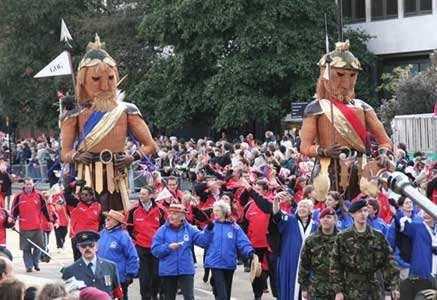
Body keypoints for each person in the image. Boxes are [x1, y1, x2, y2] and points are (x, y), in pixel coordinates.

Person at [60, 34, 158, 212]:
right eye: (96, 80)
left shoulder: (127, 110)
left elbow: (150, 146)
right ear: (82, 81)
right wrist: (75, 156)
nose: (105, 86)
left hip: (117, 177)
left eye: (111, 78)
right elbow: (64, 153)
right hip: (86, 176)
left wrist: (131, 158)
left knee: (118, 221)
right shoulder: (73, 115)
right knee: (88, 224)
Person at [299, 40, 393, 200]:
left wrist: (384, 154)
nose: (347, 82)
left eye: (352, 75)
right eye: (340, 75)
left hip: (362, 171)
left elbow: (385, 141)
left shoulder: (363, 107)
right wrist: (323, 151)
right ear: (326, 75)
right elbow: (305, 147)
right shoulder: (315, 108)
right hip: (328, 170)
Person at [330, 198, 400, 300]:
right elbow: (335, 264)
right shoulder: (343, 237)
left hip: (373, 288)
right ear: (352, 215)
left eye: (365, 210)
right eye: (359, 211)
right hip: (351, 289)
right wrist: (338, 290)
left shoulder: (377, 236)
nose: (363, 214)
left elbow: (389, 261)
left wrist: (394, 286)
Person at [151, 203, 212, 300]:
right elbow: (155, 250)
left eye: (175, 214)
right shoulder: (162, 231)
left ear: (182, 216)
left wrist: (209, 229)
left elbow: (203, 242)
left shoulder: (190, 229)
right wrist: (168, 247)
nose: (171, 216)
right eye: (170, 213)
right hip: (168, 271)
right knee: (168, 297)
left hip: (186, 270)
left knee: (189, 297)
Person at [204, 200, 255, 300]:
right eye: (214, 210)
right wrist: (207, 230)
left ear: (224, 212)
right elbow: (203, 241)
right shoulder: (211, 226)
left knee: (226, 295)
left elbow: (242, 241)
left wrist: (250, 252)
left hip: (229, 264)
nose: (215, 213)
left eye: (217, 210)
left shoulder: (234, 227)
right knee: (222, 296)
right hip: (215, 264)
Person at [272, 197, 318, 300]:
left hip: (307, 264)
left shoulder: (315, 226)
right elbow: (277, 215)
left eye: (305, 207)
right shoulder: (289, 220)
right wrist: (275, 203)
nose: (302, 209)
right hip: (289, 261)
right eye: (300, 206)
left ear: (311, 210)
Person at [127, 185, 165, 300]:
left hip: (156, 247)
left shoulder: (160, 210)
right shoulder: (133, 210)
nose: (140, 196)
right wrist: (134, 243)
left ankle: (155, 295)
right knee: (144, 277)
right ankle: (145, 297)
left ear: (151, 195)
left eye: (143, 194)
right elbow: (128, 229)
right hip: (141, 247)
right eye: (140, 193)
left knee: (156, 275)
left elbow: (165, 228)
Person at [61, 230, 123, 299]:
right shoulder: (69, 271)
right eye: (83, 246)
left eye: (91, 245)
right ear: (78, 248)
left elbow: (118, 294)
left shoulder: (111, 267)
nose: (87, 248)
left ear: (97, 246)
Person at [11, 178, 50, 272]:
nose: (29, 186)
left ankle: (36, 263)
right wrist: (12, 222)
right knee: (26, 248)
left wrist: (50, 220)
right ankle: (29, 266)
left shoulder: (39, 195)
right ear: (24, 185)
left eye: (30, 184)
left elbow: (45, 210)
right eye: (27, 184)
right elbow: (14, 211)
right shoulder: (18, 196)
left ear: (33, 185)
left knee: (39, 247)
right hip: (24, 227)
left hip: (37, 226)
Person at [98, 210, 139, 300]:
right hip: (102, 275)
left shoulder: (123, 236)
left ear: (116, 222)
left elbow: (133, 256)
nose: (106, 220)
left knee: (120, 297)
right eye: (106, 219)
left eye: (109, 219)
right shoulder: (101, 234)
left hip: (119, 277)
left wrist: (130, 274)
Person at [299, 207, 338, 299]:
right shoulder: (311, 240)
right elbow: (304, 264)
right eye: (322, 217)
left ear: (335, 220)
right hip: (317, 287)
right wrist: (304, 287)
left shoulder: (342, 239)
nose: (325, 219)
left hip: (337, 287)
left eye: (329, 217)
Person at [397, 209, 437, 299]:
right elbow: (402, 226)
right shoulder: (416, 226)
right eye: (425, 211)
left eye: (429, 211)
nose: (427, 214)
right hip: (421, 276)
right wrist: (404, 213)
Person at [69, 186, 103, 261]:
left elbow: (102, 222)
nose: (83, 196)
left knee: (92, 259)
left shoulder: (98, 206)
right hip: (78, 236)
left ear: (91, 196)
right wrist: (73, 185)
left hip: (92, 237)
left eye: (86, 194)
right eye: (82, 194)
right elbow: (66, 196)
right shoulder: (76, 204)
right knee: (78, 260)